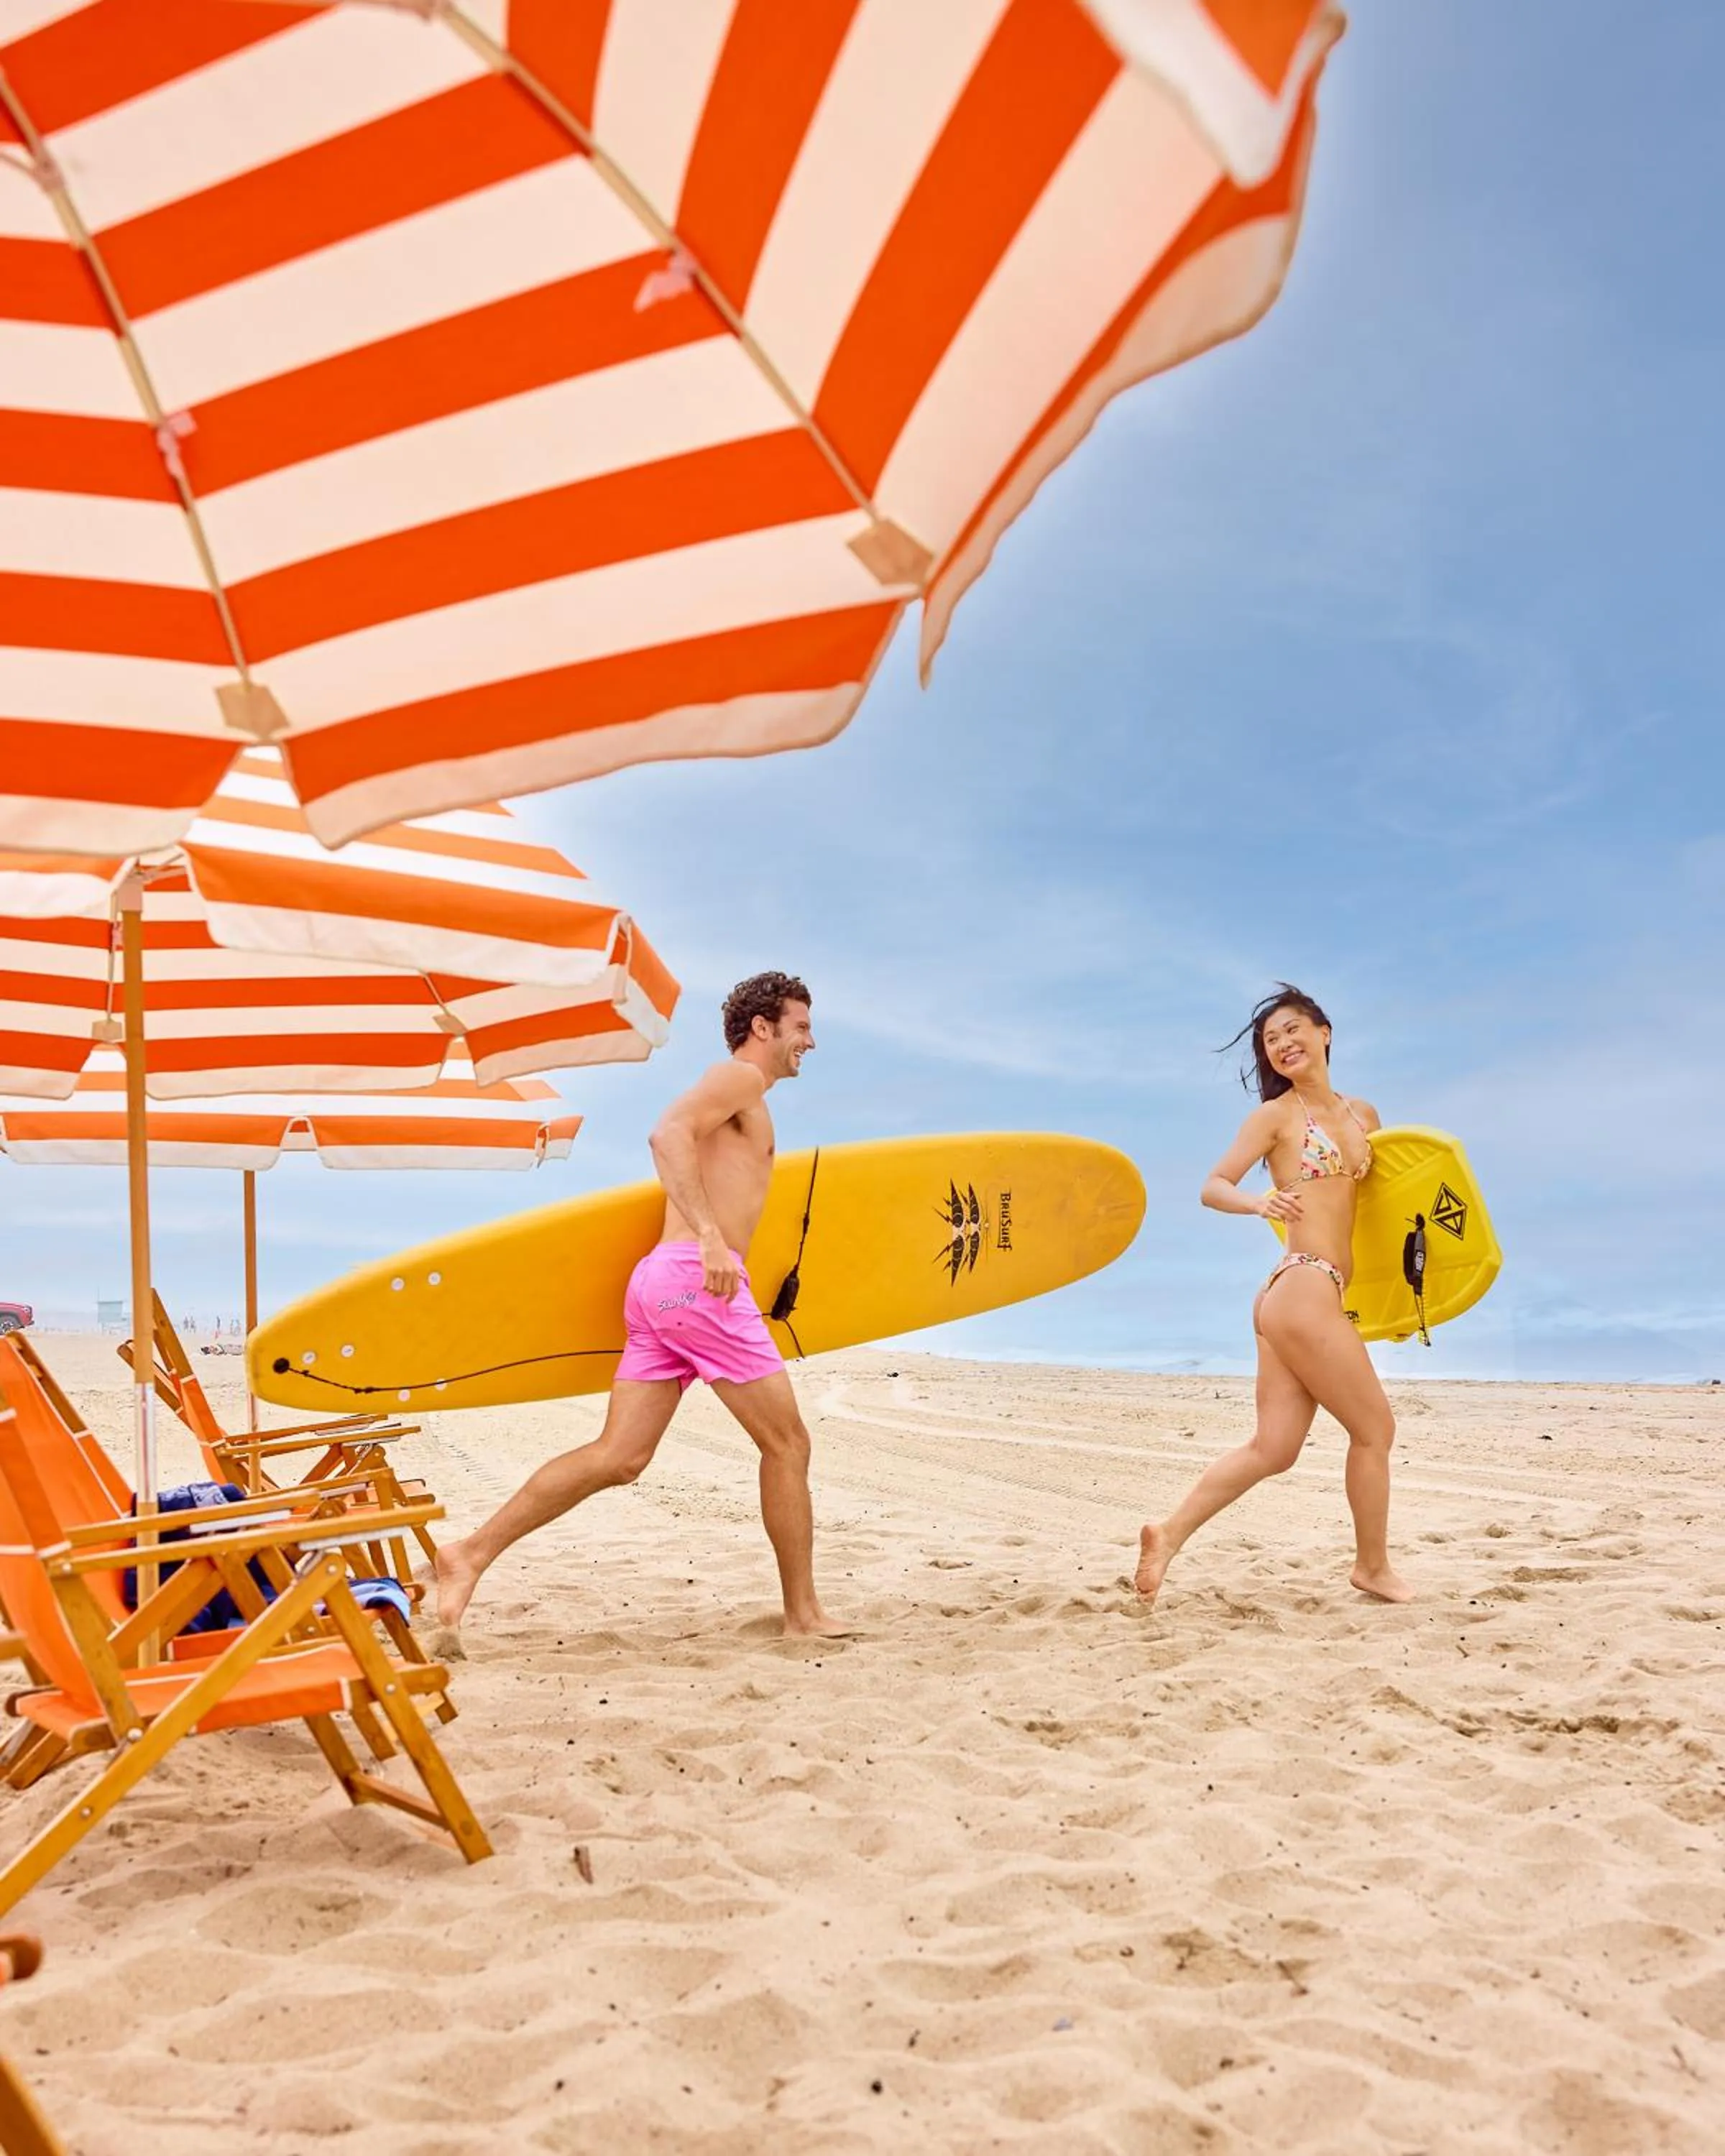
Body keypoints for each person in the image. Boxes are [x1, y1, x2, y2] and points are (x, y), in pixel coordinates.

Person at [431, 971, 848, 1646]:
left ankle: (469, 1554)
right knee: (788, 1443)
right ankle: (803, 1614)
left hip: (660, 1285)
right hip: (699, 1283)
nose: (811, 1040)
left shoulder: (748, 1097)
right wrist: (712, 1239)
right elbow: (666, 1136)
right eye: (801, 1026)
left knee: (619, 1457)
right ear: (764, 1028)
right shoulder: (739, 1078)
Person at [1134, 985, 1412, 1607]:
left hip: (1305, 1296)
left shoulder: (1364, 1115)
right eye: (1271, 1040)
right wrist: (1259, 1201)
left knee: (1274, 1448)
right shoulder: (1277, 1118)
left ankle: (1168, 1532)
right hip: (1302, 1282)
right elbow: (1213, 1185)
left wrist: (1393, 1304)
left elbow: (1384, 1215)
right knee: (1375, 1431)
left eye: (1293, 1030)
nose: (1283, 1044)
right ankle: (1372, 1566)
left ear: (1324, 1032)